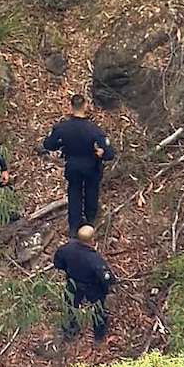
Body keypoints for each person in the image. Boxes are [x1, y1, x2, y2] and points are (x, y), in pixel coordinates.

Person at [42, 94, 115, 236]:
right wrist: (101, 153)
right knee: (91, 193)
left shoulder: (62, 128)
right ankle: (90, 223)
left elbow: (48, 144)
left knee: (74, 194)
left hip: (73, 166)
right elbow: (109, 153)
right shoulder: (94, 130)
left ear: (71, 106)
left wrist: (61, 144)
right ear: (85, 105)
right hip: (91, 167)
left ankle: (74, 227)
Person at [53, 225, 116, 341]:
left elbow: (57, 262)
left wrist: (67, 270)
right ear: (92, 239)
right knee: (97, 309)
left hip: (72, 281)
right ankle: (98, 335)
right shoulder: (93, 258)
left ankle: (70, 330)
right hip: (91, 286)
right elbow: (106, 277)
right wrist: (109, 284)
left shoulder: (67, 248)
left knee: (70, 305)